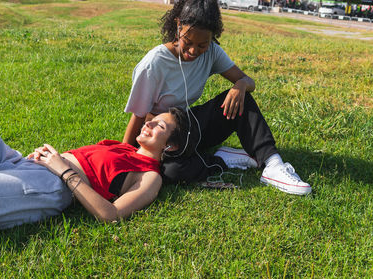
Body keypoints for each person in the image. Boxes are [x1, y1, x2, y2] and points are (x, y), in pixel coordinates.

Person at [123, 0, 311, 195]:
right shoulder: (154, 63)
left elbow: (248, 81)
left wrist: (241, 85)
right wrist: (122, 156)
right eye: (188, 42)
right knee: (170, 172)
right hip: (160, 139)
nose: (194, 51)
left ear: (213, 38)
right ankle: (223, 159)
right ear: (178, 25)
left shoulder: (212, 53)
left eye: (202, 45)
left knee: (243, 100)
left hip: (188, 126)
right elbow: (138, 116)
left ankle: (272, 164)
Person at [0, 108, 191, 229]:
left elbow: (112, 215)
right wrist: (48, 156)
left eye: (159, 126)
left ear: (170, 146)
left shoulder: (150, 176)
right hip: (23, 163)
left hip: (51, 185)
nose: (148, 125)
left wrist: (64, 171)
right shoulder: (122, 147)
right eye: (152, 120)